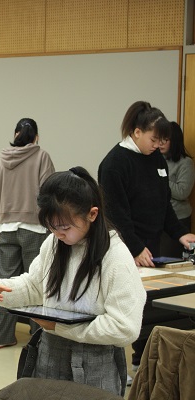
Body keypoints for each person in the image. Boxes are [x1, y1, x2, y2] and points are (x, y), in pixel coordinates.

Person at [0, 167, 146, 396]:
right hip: (50, 355)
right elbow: (34, 286)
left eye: (65, 227)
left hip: (94, 364)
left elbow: (124, 328)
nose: (58, 233)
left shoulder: (115, 256)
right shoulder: (54, 244)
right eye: (52, 227)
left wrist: (61, 327)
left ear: (92, 214)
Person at [98, 101, 195, 372]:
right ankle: (134, 365)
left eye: (161, 141)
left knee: (153, 308)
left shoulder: (156, 159)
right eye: (154, 139)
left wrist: (180, 234)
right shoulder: (114, 163)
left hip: (150, 249)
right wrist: (136, 248)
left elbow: (164, 205)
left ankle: (148, 361)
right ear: (137, 132)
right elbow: (116, 215)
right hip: (124, 249)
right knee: (131, 309)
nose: (157, 145)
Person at [0, 118, 55, 348]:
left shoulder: (3, 160)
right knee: (35, 284)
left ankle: (2, 338)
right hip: (34, 229)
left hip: (7, 230)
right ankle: (37, 339)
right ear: (37, 137)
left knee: (4, 285)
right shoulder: (42, 157)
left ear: (15, 135)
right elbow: (49, 194)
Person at [158, 122, 195, 258]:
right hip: (157, 218)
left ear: (174, 141)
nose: (160, 143)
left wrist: (160, 179)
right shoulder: (155, 160)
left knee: (169, 258)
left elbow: (182, 191)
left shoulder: (185, 163)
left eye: (165, 140)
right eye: (158, 139)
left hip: (178, 218)